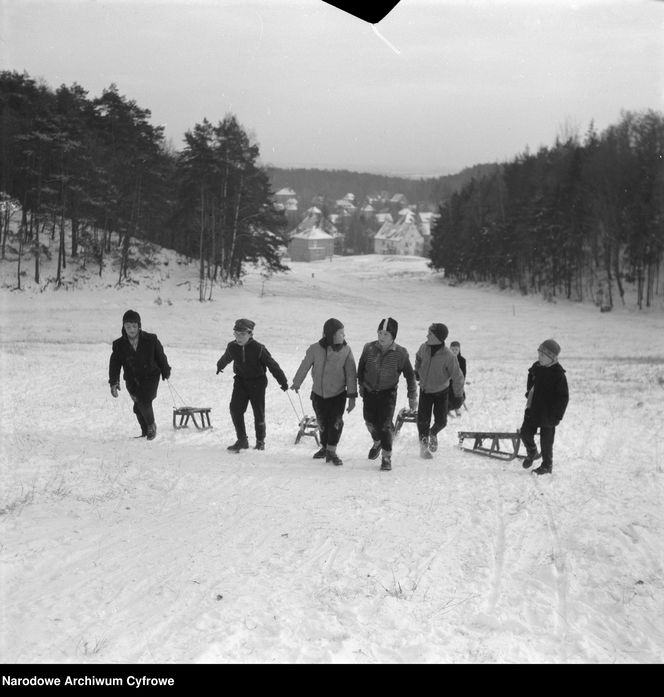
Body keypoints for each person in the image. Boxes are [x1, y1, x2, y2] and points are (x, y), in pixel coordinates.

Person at [290, 318, 357, 466]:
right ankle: (325, 447)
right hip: (319, 395)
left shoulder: (346, 351)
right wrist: (297, 382)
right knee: (323, 423)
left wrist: (352, 396)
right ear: (331, 334)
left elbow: (351, 374)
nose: (344, 336)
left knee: (336, 422)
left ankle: (332, 451)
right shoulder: (315, 349)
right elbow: (304, 365)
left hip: (338, 395)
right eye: (341, 333)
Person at [216, 318, 289, 452]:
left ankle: (260, 441)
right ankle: (242, 440)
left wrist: (282, 381)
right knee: (235, 409)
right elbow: (226, 357)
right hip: (240, 381)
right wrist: (219, 365)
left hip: (257, 382)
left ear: (250, 334)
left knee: (258, 412)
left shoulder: (258, 348)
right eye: (236, 334)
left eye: (242, 334)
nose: (238, 337)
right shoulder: (232, 346)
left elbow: (272, 365)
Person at [357, 317, 417, 471]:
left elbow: (410, 376)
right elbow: (361, 368)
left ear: (393, 337)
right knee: (369, 421)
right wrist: (361, 385)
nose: (381, 337)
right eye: (380, 333)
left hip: (387, 394)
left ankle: (386, 456)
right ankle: (377, 441)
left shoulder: (401, 353)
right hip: (370, 391)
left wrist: (412, 396)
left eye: (386, 334)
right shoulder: (369, 348)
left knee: (384, 425)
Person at [108, 309, 171, 441]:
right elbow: (114, 364)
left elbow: (160, 356)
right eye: (128, 326)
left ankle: (151, 426)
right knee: (138, 407)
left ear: (139, 326)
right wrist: (114, 382)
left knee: (144, 401)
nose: (131, 329)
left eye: (134, 326)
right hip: (132, 380)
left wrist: (165, 370)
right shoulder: (119, 345)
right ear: (123, 327)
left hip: (151, 377)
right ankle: (145, 432)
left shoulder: (151, 339)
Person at [414, 323, 465, 459]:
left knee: (441, 421)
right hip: (425, 390)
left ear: (437, 337)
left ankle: (433, 433)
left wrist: (459, 396)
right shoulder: (423, 347)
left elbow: (458, 377)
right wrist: (417, 370)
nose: (427, 335)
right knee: (422, 421)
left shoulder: (448, 356)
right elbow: (418, 358)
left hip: (441, 392)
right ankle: (424, 448)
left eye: (430, 334)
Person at [520, 339, 569, 475]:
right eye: (539, 354)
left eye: (543, 355)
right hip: (534, 408)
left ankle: (547, 465)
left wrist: (557, 415)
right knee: (525, 432)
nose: (539, 357)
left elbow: (563, 397)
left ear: (551, 357)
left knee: (546, 441)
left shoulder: (558, 374)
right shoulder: (537, 367)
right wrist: (529, 391)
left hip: (549, 414)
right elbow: (531, 378)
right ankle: (532, 452)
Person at [448, 340, 467, 417]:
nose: (454, 351)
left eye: (456, 350)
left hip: (458, 381)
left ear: (459, 350)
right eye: (453, 349)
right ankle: (447, 410)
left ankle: (457, 408)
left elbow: (463, 373)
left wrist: (460, 381)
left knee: (459, 394)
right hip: (447, 381)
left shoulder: (462, 360)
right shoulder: (447, 359)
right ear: (450, 349)